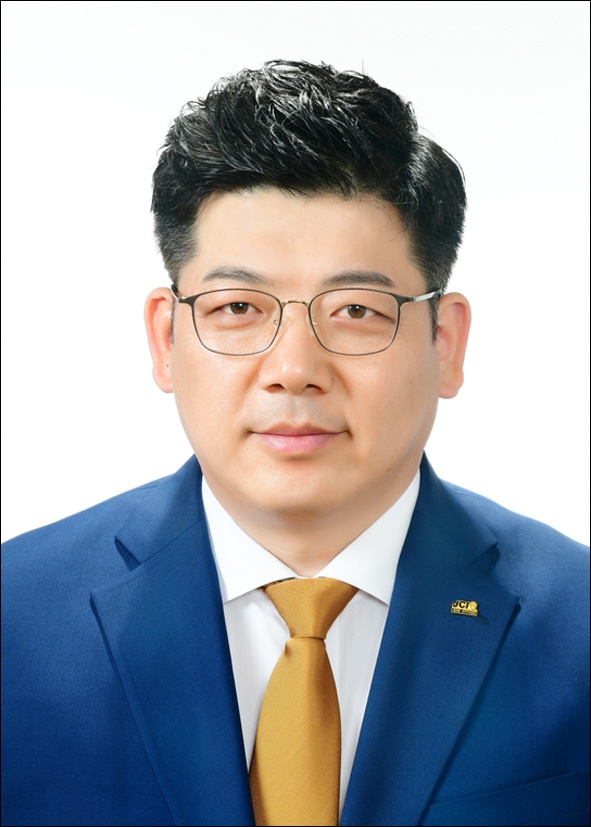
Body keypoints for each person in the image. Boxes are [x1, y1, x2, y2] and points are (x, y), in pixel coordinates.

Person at [1, 59, 588, 827]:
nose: (293, 369)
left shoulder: (578, 625)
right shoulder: (15, 618)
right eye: (238, 306)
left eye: (356, 310)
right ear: (165, 338)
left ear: (444, 342)